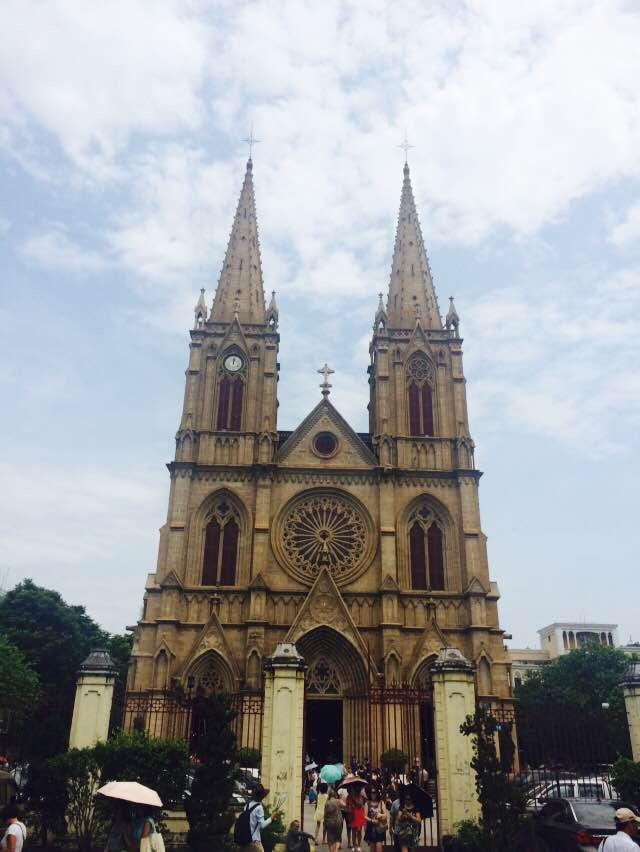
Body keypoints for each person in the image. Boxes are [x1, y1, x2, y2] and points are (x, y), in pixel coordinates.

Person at [239, 785, 278, 852]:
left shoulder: (247, 806)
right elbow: (262, 825)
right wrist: (271, 817)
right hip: (255, 841)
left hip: (244, 839)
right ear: (261, 796)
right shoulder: (259, 807)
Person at [364, 786, 387, 852]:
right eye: (371, 792)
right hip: (371, 828)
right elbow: (365, 816)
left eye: (374, 792)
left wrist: (380, 815)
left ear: (377, 793)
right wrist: (372, 820)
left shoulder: (381, 802)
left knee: (379, 847)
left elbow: (385, 815)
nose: (373, 794)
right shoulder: (367, 803)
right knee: (372, 848)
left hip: (379, 828)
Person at [345, 783, 366, 852]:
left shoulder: (360, 796)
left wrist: (355, 799)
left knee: (359, 830)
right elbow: (346, 805)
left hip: (359, 814)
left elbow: (360, 804)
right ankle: (354, 845)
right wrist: (348, 808)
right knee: (353, 830)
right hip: (352, 815)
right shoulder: (349, 796)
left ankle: (359, 845)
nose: (354, 790)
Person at [315, 782, 329, 847]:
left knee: (318, 826)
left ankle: (316, 839)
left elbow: (316, 804)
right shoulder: (327, 796)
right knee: (325, 827)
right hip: (325, 812)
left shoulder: (318, 795)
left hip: (318, 811)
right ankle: (323, 840)